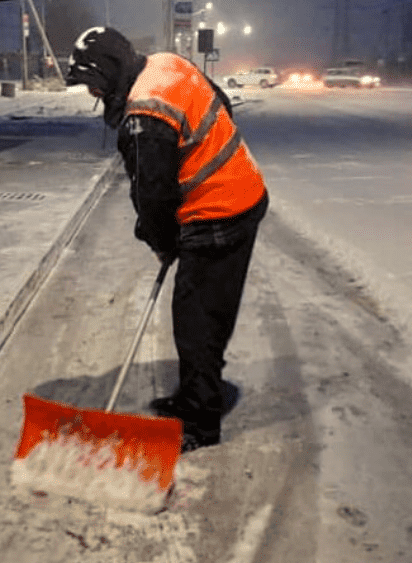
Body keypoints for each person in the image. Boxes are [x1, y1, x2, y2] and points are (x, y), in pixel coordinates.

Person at [63, 27, 269, 452]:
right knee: (208, 310)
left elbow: (154, 197)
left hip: (219, 212)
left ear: (109, 71)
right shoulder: (166, 64)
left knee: (197, 321)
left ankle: (200, 421)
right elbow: (220, 105)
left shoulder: (144, 117)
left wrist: (162, 240)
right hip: (243, 192)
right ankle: (194, 394)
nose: (93, 93)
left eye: (94, 83)